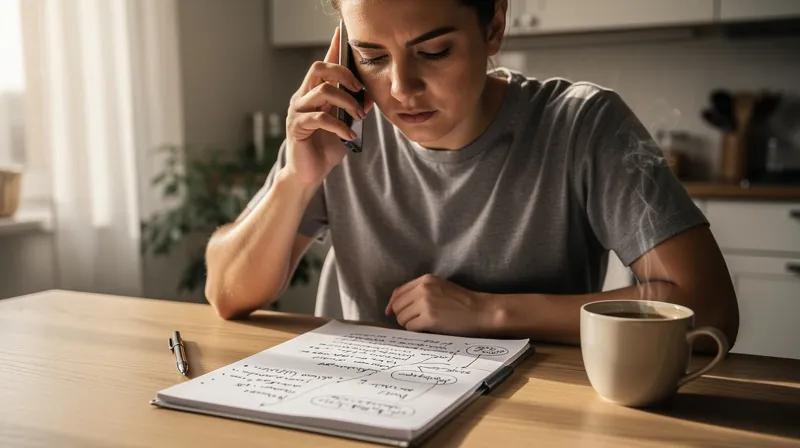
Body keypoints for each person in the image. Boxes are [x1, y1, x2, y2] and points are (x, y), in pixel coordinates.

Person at [204, 0, 739, 350]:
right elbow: (227, 293)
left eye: (433, 52)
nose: (401, 88)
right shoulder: (339, 128)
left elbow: (708, 309)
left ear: (494, 26)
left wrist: (490, 313)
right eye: (371, 56)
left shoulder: (582, 125)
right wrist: (295, 179)